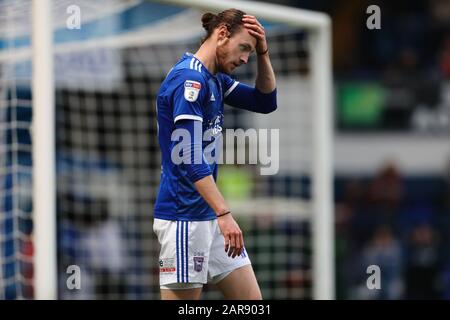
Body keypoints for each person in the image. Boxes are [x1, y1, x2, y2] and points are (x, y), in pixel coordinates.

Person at [153, 8, 277, 300]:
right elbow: (190, 156)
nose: (245, 58)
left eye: (250, 51)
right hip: (185, 218)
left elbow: (265, 101)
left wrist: (264, 51)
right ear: (222, 34)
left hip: (209, 214)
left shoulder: (215, 79)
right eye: (244, 48)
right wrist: (225, 213)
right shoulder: (189, 81)